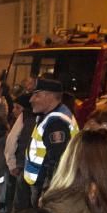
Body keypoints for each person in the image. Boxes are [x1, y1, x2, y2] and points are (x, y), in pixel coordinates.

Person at [23, 78, 79, 206]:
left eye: (36, 95)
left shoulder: (56, 123)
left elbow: (57, 161)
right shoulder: (51, 116)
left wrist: (47, 192)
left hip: (46, 186)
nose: (31, 99)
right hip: (41, 183)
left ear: (49, 96)